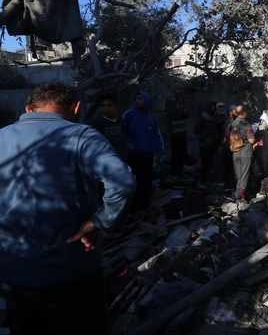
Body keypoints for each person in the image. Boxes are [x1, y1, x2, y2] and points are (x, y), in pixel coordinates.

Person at [0, 82, 136, 335]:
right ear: (75, 108)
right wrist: (99, 222)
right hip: (71, 271)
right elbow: (123, 181)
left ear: (28, 109)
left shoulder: (2, 137)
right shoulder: (82, 135)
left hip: (13, 273)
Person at [123, 91, 164, 212]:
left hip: (148, 155)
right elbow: (125, 134)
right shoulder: (129, 115)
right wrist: (134, 146)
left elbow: (157, 134)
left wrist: (159, 150)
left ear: (146, 100)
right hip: (135, 155)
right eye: (136, 99)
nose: (137, 101)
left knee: (147, 181)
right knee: (136, 182)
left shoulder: (151, 118)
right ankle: (134, 208)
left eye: (140, 98)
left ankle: (145, 205)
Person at [223, 105, 255, 203]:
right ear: (244, 113)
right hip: (245, 153)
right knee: (244, 176)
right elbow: (252, 140)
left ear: (236, 113)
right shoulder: (246, 125)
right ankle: (240, 197)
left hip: (235, 153)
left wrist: (222, 146)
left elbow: (226, 138)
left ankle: (236, 193)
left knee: (237, 175)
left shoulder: (231, 124)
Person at [86, 92, 127, 162]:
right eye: (103, 106)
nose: (106, 109)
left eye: (109, 105)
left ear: (117, 106)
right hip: (105, 160)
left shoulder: (120, 121)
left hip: (121, 158)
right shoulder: (95, 123)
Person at [165, 82, 191, 183]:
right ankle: (174, 173)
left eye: (181, 89)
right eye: (177, 89)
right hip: (175, 131)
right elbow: (174, 114)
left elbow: (187, 114)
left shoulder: (180, 101)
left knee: (182, 153)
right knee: (176, 153)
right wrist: (182, 112)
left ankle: (179, 173)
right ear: (173, 89)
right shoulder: (170, 100)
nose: (179, 91)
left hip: (182, 131)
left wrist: (182, 112)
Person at [194, 100, 219, 188]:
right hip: (204, 144)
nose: (214, 108)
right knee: (205, 162)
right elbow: (196, 129)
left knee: (208, 162)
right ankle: (203, 180)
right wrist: (204, 136)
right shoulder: (204, 116)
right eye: (212, 106)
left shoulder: (212, 117)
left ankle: (206, 180)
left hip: (210, 143)